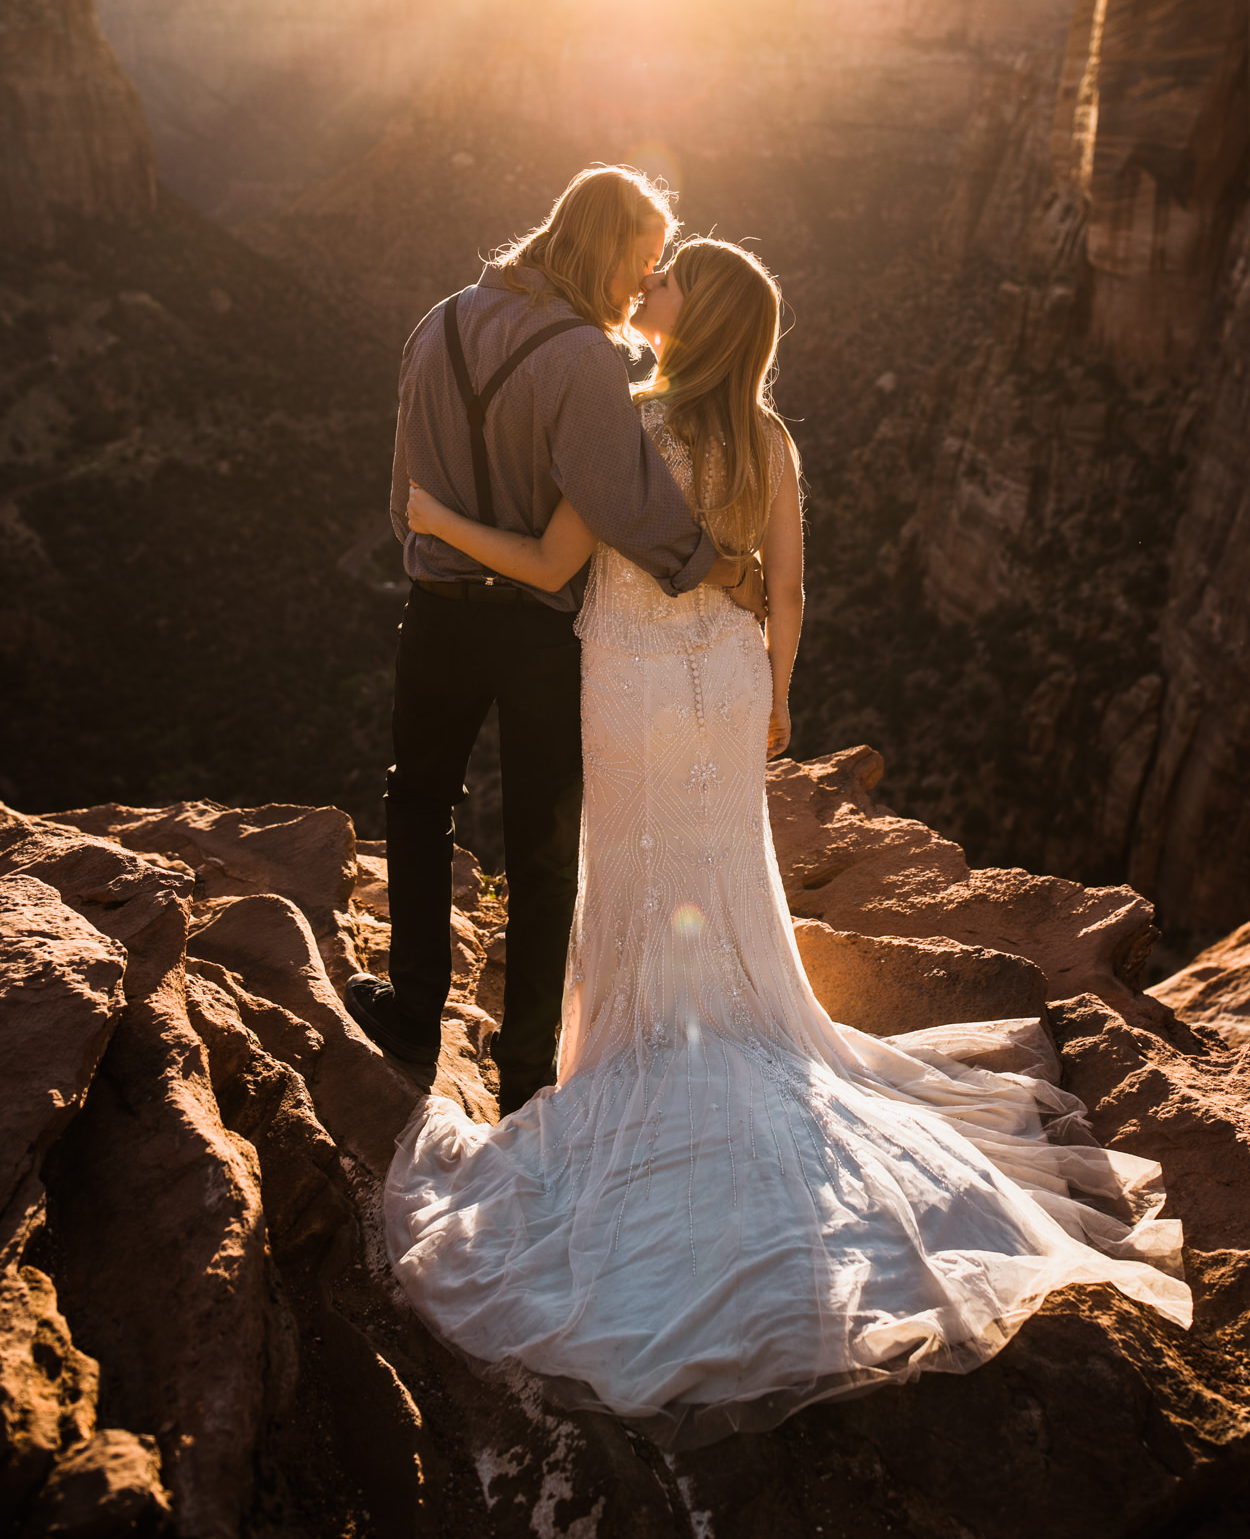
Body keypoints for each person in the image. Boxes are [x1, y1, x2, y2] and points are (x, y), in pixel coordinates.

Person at [385, 237, 1191, 1448]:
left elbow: (556, 561)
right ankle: (727, 1029)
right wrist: (771, 703)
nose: (643, 292)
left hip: (631, 681)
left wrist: (439, 515)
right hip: (720, 675)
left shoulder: (626, 419)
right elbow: (792, 592)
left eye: (664, 284)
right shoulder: (770, 439)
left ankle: (637, 1047)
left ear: (693, 316)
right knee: (715, 871)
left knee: (641, 871)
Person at [344, 166, 756, 1116]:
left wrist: (432, 543)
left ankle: (412, 1012)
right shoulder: (582, 356)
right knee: (537, 846)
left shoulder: (436, 322)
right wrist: (715, 568)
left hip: (439, 610)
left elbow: (407, 485)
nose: (638, 282)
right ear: (602, 242)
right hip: (536, 629)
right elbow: (621, 499)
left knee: (416, 804)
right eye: (639, 260)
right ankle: (525, 1075)